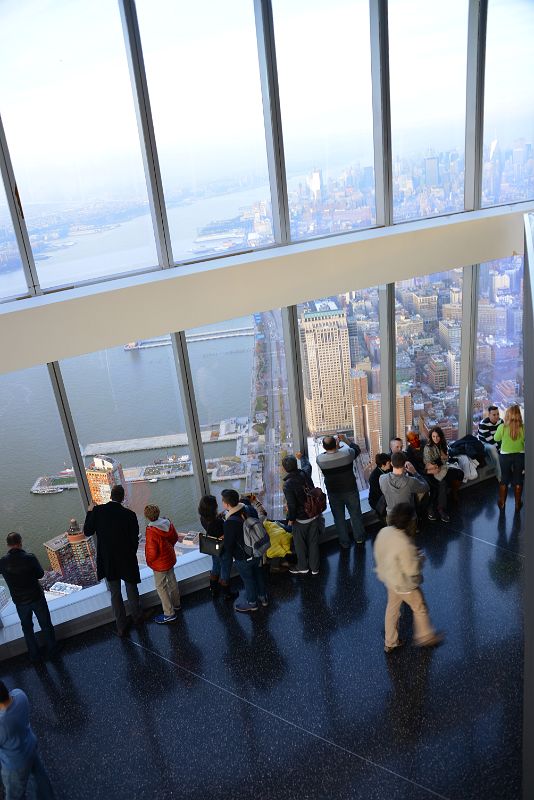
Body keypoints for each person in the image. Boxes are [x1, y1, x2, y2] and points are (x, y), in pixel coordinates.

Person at [374, 503, 443, 653]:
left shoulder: (384, 531)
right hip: (404, 585)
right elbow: (411, 569)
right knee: (419, 607)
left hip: (389, 579)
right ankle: (425, 637)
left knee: (392, 609)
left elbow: (381, 552)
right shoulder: (404, 543)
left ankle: (390, 642)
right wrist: (420, 558)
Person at [83, 485, 143, 637]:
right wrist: (130, 553)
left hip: (108, 559)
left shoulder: (98, 511)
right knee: (131, 588)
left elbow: (87, 531)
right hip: (126, 558)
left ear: (110, 496)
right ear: (122, 498)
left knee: (115, 593)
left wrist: (90, 511)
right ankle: (137, 618)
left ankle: (121, 626)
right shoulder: (129, 514)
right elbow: (134, 538)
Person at [0, 533, 58, 665]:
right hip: (36, 597)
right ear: (20, 542)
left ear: (8, 545)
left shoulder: (2, 562)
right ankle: (53, 651)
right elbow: (40, 574)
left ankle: (34, 655)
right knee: (46, 624)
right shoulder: (29, 558)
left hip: (20, 602)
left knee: (27, 628)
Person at [0, 681, 55, 799]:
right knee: (40, 779)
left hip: (15, 764)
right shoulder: (20, 695)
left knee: (14, 794)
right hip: (30, 746)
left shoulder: (2, 724)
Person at [221, 489, 267, 613]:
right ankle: (263, 598)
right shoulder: (249, 509)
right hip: (257, 550)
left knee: (248, 579)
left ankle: (252, 603)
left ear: (227, 504)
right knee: (258, 574)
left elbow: (229, 545)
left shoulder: (229, 522)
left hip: (243, 557)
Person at [316, 433, 366, 548]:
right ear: (337, 443)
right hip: (350, 490)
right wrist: (345, 440)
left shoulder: (320, 460)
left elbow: (328, 455)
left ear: (323, 447)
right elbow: (356, 449)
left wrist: (336, 448)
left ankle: (345, 543)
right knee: (355, 515)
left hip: (334, 493)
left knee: (339, 518)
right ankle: (359, 538)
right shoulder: (347, 454)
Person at [282, 454, 323, 576]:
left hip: (301, 519)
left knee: (300, 545)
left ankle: (303, 567)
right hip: (314, 514)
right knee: (313, 542)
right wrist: (302, 457)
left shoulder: (288, 484)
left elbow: (292, 505)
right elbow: (307, 465)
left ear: (285, 469)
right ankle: (315, 568)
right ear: (296, 465)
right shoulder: (304, 473)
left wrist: (290, 519)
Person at [144, 505, 181, 624]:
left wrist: (149, 561)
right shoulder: (167, 523)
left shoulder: (151, 531)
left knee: (161, 587)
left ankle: (169, 613)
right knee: (172, 581)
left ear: (147, 516)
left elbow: (152, 552)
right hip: (169, 557)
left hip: (159, 563)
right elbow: (175, 537)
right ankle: (177, 604)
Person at [198, 495, 237, 601]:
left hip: (213, 548)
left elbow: (212, 528)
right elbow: (225, 534)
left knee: (215, 567)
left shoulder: (203, 518)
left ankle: (214, 590)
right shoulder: (218, 522)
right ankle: (227, 594)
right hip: (223, 549)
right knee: (225, 571)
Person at [379, 453, 429, 534]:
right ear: (404, 464)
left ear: (391, 463)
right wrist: (415, 472)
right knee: (408, 542)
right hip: (408, 518)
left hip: (391, 517)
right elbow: (426, 487)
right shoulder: (411, 481)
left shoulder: (382, 479)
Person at [423, 426, 463, 523]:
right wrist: (441, 460)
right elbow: (430, 465)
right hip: (433, 472)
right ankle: (441, 509)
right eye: (433, 436)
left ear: (441, 436)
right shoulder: (428, 447)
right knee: (443, 483)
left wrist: (443, 459)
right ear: (431, 437)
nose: (436, 438)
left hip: (443, 468)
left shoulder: (442, 444)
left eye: (437, 436)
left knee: (460, 473)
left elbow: (446, 457)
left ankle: (453, 492)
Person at [494, 404, 525, 512]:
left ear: (508, 414)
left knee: (504, 478)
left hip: (505, 456)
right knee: (518, 479)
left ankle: (502, 503)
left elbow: (496, 438)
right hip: (520, 456)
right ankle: (517, 504)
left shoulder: (502, 427)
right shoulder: (523, 427)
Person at [477, 405, 503, 482]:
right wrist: (501, 449)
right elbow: (490, 440)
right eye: (494, 414)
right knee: (493, 449)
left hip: (497, 442)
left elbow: (503, 436)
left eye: (498, 414)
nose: (496, 416)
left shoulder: (501, 421)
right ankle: (500, 477)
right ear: (489, 415)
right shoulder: (483, 424)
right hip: (485, 444)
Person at [368, 453, 391, 520]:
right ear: (383, 465)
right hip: (378, 501)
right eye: (389, 463)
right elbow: (378, 493)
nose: (390, 464)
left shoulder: (388, 469)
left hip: (386, 497)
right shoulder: (374, 477)